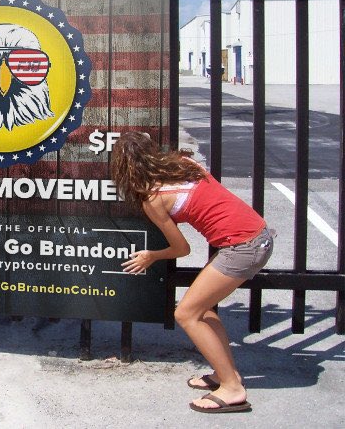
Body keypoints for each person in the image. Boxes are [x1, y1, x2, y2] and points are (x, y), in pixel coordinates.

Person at [111, 131, 274, 413]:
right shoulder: (186, 165)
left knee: (186, 314)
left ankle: (232, 389)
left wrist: (152, 255)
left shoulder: (154, 199)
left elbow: (181, 248)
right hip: (256, 235)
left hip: (242, 247)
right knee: (204, 310)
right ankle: (226, 374)